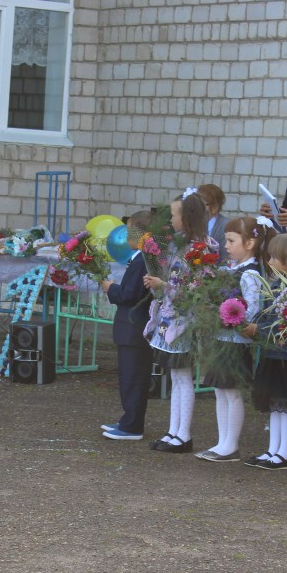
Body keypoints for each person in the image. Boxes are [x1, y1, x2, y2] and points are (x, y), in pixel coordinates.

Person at [196, 216, 274, 462]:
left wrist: (229, 317)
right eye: (226, 240)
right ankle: (222, 442)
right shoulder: (230, 268)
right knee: (220, 390)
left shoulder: (249, 274)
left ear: (249, 243)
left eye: (231, 241)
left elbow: (252, 308)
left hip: (235, 341)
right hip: (222, 337)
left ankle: (230, 445)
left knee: (232, 392)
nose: (226, 245)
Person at [143, 190, 215, 453]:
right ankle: (173, 430)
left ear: (187, 217)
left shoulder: (200, 249)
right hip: (172, 317)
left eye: (174, 215)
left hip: (185, 322)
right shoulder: (179, 245)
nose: (171, 220)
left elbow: (197, 290)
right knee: (176, 377)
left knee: (183, 377)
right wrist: (159, 284)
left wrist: (164, 285)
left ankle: (183, 434)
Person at [245, 233, 287, 470]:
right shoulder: (274, 285)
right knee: (275, 404)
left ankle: (283, 452)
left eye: (274, 257)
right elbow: (266, 316)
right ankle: (273, 449)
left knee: (286, 404)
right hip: (271, 352)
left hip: (286, 354)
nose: (269, 261)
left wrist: (259, 330)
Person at [101, 211, 155, 441]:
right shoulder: (140, 257)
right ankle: (127, 420)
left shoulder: (143, 259)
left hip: (135, 327)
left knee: (134, 378)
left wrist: (110, 288)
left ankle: (133, 426)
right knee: (128, 377)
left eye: (130, 231)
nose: (126, 236)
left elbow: (129, 294)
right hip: (130, 328)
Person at [197, 184, 229, 261]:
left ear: (215, 207)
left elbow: (226, 260)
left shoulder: (225, 226)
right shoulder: (195, 223)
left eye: (200, 204)